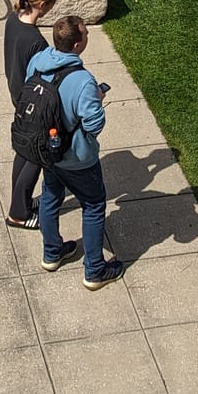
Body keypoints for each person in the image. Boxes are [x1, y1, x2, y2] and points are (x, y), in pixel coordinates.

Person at [26, 17, 124, 289]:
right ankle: (94, 270)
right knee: (93, 206)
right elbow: (94, 125)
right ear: (78, 44)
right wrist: (98, 99)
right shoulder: (82, 81)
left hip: (45, 150)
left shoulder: (38, 62)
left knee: (50, 196)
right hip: (78, 159)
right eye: (87, 33)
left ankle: (52, 253)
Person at [3, 0, 60, 229]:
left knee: (23, 150)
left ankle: (22, 202)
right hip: (32, 102)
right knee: (36, 153)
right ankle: (19, 214)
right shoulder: (36, 41)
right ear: (44, 4)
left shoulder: (13, 19)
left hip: (17, 94)